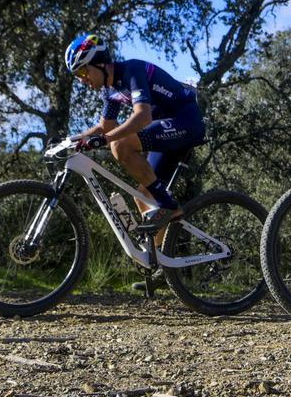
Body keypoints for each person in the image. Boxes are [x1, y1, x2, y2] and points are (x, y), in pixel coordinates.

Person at [65, 33, 205, 243]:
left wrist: (105, 139)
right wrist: (71, 140)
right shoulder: (109, 91)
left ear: (100, 63)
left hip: (185, 121)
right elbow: (105, 127)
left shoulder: (132, 70)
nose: (82, 79)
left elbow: (142, 116)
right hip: (165, 130)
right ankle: (159, 262)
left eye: (83, 70)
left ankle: (169, 206)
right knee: (143, 196)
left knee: (119, 145)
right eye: (77, 75)